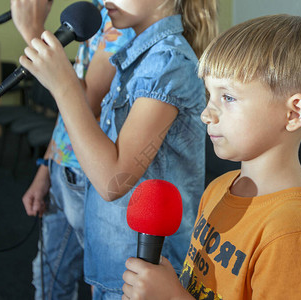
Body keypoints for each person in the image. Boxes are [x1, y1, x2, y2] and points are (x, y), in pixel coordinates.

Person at [121, 14, 301, 300]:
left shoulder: (292, 232)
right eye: (209, 95)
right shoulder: (219, 188)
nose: (206, 114)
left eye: (228, 97)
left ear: (294, 113)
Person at [18, 0, 218, 298]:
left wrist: (64, 86)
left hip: (145, 273)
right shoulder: (139, 55)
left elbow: (113, 182)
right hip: (117, 262)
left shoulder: (168, 62)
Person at [10, 0, 135, 299]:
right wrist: (45, 167)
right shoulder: (93, 9)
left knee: (103, 285)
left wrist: (33, 30)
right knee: (48, 280)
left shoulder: (124, 16)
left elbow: (86, 99)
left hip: (88, 177)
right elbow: (68, 106)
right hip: (61, 167)